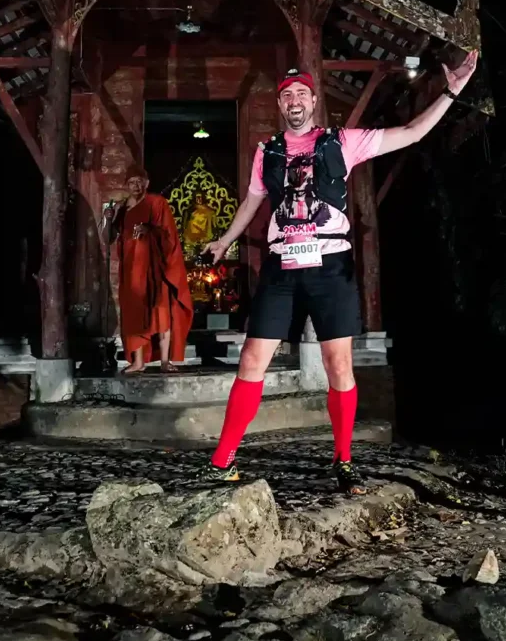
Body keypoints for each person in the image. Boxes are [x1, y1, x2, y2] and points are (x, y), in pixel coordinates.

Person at [200, 54, 478, 493]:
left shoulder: (342, 141)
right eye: (286, 95)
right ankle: (222, 460)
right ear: (280, 105)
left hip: (330, 267)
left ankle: (344, 459)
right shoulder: (266, 152)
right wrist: (223, 240)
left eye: (301, 95)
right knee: (252, 360)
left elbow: (411, 132)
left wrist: (451, 91)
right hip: (283, 267)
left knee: (338, 364)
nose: (294, 100)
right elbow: (252, 203)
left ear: (313, 102)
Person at [105, 164, 194, 375]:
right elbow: (108, 239)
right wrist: (108, 219)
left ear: (146, 183)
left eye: (139, 181)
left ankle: (165, 361)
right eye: (131, 182)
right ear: (126, 185)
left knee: (161, 313)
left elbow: (170, 235)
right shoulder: (122, 208)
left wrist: (150, 229)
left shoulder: (157, 203)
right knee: (134, 314)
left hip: (155, 268)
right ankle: (137, 362)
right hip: (131, 271)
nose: (135, 185)